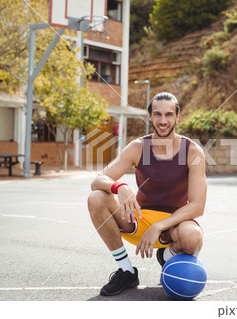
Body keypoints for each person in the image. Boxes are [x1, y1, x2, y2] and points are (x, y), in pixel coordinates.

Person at [88, 92, 207, 296]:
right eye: (157, 114)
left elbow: (198, 206)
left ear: (177, 117)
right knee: (97, 198)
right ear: (150, 116)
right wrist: (121, 187)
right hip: (140, 218)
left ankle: (168, 258)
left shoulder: (192, 151)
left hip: (174, 223)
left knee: (193, 237)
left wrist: (159, 226)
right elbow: (97, 180)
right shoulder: (137, 147)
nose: (163, 120)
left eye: (169, 115)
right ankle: (126, 271)